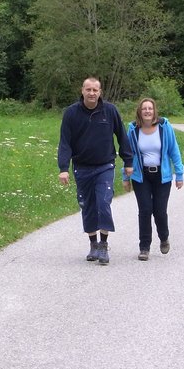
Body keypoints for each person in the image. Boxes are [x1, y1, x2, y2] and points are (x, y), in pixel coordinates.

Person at [58, 76, 133, 265]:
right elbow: (65, 142)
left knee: (103, 203)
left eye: (95, 90)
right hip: (81, 167)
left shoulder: (110, 111)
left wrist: (128, 161)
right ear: (82, 91)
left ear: (100, 92)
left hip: (104, 166)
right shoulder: (71, 113)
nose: (91, 93)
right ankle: (93, 244)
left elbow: (122, 136)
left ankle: (103, 245)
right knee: (87, 205)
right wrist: (63, 168)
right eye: (88, 89)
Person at [122, 97, 184, 261]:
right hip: (141, 176)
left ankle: (164, 237)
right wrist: (125, 177)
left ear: (154, 111)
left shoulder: (164, 127)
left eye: (150, 108)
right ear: (140, 111)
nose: (147, 111)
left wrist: (179, 174)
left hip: (161, 176)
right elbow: (128, 154)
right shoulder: (133, 129)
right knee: (144, 210)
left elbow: (174, 150)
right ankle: (144, 248)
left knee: (159, 211)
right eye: (144, 109)